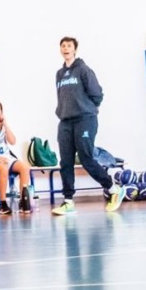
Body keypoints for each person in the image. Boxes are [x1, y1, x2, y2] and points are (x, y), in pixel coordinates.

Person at [51, 37, 123, 214]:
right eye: (63, 46)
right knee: (65, 162)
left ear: (75, 49)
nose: (65, 48)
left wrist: (89, 110)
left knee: (86, 158)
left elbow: (97, 94)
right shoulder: (59, 74)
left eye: (69, 46)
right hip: (65, 122)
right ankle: (68, 202)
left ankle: (114, 189)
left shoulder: (83, 70)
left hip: (84, 120)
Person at [0, 100, 33, 213]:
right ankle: (3, 203)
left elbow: (13, 141)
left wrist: (5, 124)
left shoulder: (4, 127)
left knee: (24, 167)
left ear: (1, 113)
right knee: (3, 168)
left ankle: (23, 199)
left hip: (5, 157)